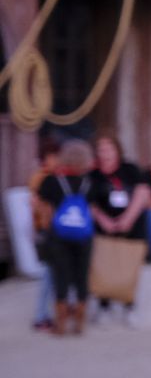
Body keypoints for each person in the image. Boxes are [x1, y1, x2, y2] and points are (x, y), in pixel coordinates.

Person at [87, 132, 150, 323]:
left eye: (109, 149)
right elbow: (89, 203)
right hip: (104, 227)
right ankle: (104, 305)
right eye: (101, 149)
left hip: (132, 226)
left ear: (117, 150)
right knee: (104, 266)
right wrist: (103, 220)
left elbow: (143, 192)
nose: (105, 153)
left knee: (128, 267)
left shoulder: (130, 169)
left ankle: (129, 305)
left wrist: (128, 218)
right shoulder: (93, 175)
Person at [35, 138, 96, 335]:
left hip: (59, 236)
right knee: (82, 276)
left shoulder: (52, 181)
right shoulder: (90, 182)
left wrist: (46, 228)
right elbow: (92, 210)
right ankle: (79, 322)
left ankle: (60, 324)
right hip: (84, 236)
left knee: (61, 276)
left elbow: (44, 208)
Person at [26, 138, 62, 331]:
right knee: (49, 274)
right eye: (53, 156)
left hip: (50, 230)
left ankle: (48, 314)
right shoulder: (40, 178)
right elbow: (38, 207)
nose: (56, 160)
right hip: (46, 231)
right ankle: (42, 315)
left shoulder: (53, 176)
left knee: (53, 274)